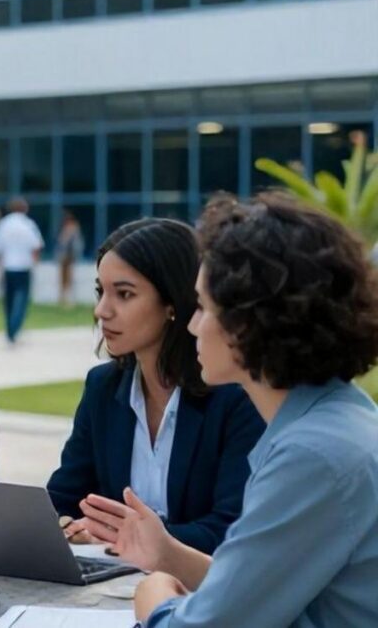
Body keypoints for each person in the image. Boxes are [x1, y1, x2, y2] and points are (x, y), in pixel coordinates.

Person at [79, 193, 378, 627]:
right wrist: (165, 555)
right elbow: (253, 585)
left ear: (249, 322)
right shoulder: (335, 420)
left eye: (202, 307)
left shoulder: (313, 455)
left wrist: (155, 598)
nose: (192, 324)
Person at [47, 218, 262, 554]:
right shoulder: (102, 387)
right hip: (112, 590)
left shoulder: (235, 397)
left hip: (199, 593)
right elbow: (61, 500)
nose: (102, 310)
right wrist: (68, 528)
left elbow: (231, 529)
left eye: (124, 294)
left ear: (172, 304)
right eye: (101, 292)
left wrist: (121, 538)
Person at [0, 197, 43, 343]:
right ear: (24, 209)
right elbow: (36, 246)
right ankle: (14, 328)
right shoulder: (28, 224)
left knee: (9, 300)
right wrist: (35, 263)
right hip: (24, 267)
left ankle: (9, 329)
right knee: (22, 299)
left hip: (8, 267)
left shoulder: (3, 224)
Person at [55, 210, 84, 308]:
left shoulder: (71, 228)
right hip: (66, 256)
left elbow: (65, 242)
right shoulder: (70, 229)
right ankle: (64, 298)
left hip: (68, 256)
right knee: (64, 278)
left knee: (67, 278)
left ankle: (67, 299)